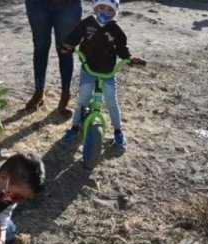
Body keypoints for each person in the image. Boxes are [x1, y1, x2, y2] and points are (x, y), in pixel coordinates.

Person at [59, 0, 145, 151]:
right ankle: (74, 127)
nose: (105, 12)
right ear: (95, 8)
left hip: (108, 72)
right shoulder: (87, 23)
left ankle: (118, 131)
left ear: (115, 12)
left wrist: (129, 59)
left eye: (110, 10)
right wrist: (68, 45)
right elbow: (74, 36)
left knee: (111, 100)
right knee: (83, 99)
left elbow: (122, 48)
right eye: (102, 8)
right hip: (88, 69)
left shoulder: (116, 29)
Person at [24, 0, 82, 115]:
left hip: (68, 5)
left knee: (65, 48)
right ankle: (39, 92)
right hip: (37, 4)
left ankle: (65, 94)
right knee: (40, 47)